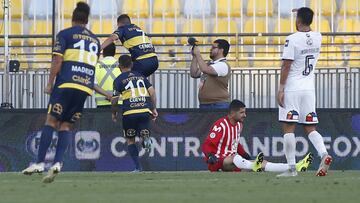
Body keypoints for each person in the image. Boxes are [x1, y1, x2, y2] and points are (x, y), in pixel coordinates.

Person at [22, 2, 100, 183]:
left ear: (73, 18)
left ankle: (40, 162)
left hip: (66, 84)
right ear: (87, 21)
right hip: (84, 88)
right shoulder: (95, 41)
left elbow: (57, 60)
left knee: (51, 121)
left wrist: (50, 84)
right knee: (65, 126)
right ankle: (57, 163)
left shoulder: (65, 34)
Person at [277, 7, 332, 177]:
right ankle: (324, 154)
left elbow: (286, 65)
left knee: (288, 128)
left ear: (298, 20)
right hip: (309, 89)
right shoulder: (318, 37)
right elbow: (308, 35)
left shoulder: (292, 39)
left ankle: (292, 168)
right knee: (310, 127)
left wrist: (281, 88)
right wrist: (304, 11)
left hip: (292, 88)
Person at [202, 99, 313, 172]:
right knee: (235, 157)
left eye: (244, 112)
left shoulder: (239, 125)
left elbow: (234, 143)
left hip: (234, 161)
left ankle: (294, 167)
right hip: (219, 163)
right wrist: (210, 156)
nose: (244, 115)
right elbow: (207, 144)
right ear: (232, 113)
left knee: (263, 163)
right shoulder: (221, 125)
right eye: (241, 112)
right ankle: (252, 165)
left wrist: (245, 154)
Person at [112, 55, 158, 172]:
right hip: (144, 110)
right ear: (132, 65)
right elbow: (152, 92)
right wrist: (153, 108)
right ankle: (145, 138)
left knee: (130, 140)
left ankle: (138, 167)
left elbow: (115, 98)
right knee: (143, 133)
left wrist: (114, 112)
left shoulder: (118, 79)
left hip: (129, 112)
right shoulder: (141, 76)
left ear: (119, 66)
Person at [190, 39, 231, 109]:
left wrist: (198, 54)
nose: (210, 49)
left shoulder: (223, 65)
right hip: (205, 104)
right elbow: (194, 74)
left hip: (219, 105)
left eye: (213, 47)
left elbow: (205, 69)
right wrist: (194, 57)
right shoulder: (210, 64)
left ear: (221, 50)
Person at [94, 42, 122, 108]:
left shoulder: (97, 65)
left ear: (103, 52)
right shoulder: (121, 65)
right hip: (119, 102)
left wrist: (107, 95)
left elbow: (93, 85)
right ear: (114, 52)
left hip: (102, 103)